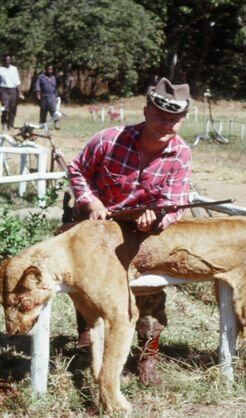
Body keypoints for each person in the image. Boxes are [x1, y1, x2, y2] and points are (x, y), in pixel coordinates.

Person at [67, 77, 192, 385]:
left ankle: (148, 355)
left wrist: (157, 219)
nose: (166, 124)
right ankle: (89, 343)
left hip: (140, 231)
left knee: (148, 292)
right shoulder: (109, 139)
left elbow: (174, 203)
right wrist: (91, 201)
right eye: (160, 116)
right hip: (95, 224)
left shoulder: (180, 154)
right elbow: (77, 170)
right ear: (147, 110)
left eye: (174, 119)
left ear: (183, 119)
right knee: (89, 287)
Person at [0, 55, 24, 130]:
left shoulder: (14, 69)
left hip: (13, 90)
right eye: (6, 60)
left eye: (9, 60)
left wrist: (20, 93)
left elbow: (17, 82)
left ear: (10, 61)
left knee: (13, 108)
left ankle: (11, 124)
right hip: (4, 90)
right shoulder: (0, 69)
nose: (7, 61)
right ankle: (4, 122)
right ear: (3, 61)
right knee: (5, 108)